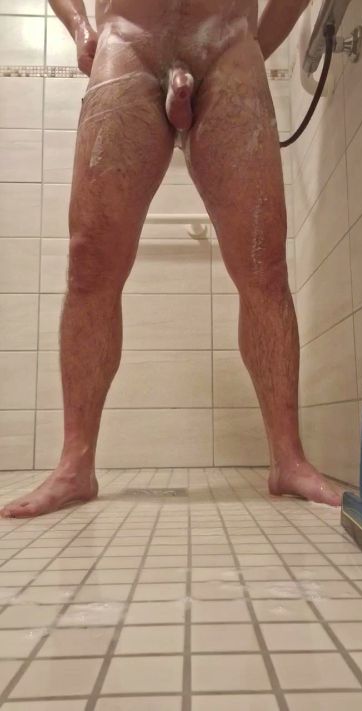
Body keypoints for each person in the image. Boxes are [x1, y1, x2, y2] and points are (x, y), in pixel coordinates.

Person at [0, 0, 341, 518]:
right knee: (90, 261)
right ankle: (75, 465)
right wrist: (80, 26)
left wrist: (253, 44)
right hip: (128, 38)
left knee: (264, 264)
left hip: (228, 41)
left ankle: (288, 460)